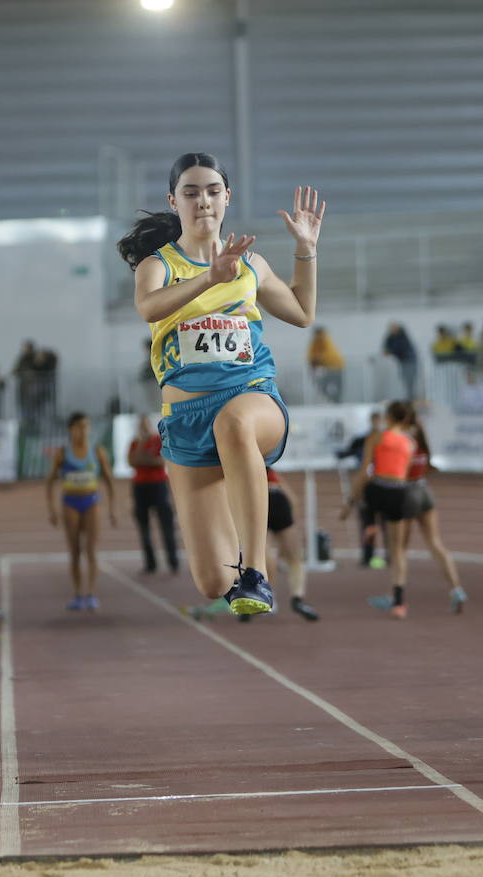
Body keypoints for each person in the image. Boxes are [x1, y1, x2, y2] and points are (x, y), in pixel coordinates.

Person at [116, 151, 323, 617]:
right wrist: (209, 278)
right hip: (187, 420)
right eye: (190, 193)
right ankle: (235, 553)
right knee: (212, 581)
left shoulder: (251, 265)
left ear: (227, 197)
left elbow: (302, 313)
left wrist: (306, 249)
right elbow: (149, 308)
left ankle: (257, 571)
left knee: (234, 424)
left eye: (212, 191)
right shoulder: (157, 266)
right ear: (174, 201)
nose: (203, 201)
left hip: (251, 398)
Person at [344, 401, 417, 619]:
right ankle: (399, 602)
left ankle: (370, 524)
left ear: (389, 417)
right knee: (397, 550)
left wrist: (350, 501)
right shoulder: (410, 442)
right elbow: (404, 472)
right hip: (399, 491)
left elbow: (364, 470)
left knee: (369, 497)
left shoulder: (376, 437)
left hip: (377, 488)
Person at [46, 412, 116, 610]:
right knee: (75, 551)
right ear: (71, 429)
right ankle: (78, 594)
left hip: (91, 502)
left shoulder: (97, 451)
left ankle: (91, 594)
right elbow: (49, 482)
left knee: (91, 550)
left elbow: (109, 480)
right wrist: (51, 509)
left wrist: (112, 509)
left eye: (86, 426)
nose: (84, 430)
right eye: (79, 427)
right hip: (70, 503)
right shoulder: (62, 453)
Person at [402, 414, 467, 613]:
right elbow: (428, 468)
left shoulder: (404, 444)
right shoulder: (423, 445)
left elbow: (398, 471)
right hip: (424, 492)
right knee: (436, 544)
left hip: (407, 494)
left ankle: (396, 597)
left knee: (400, 549)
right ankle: (456, 589)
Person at [243, 467, 319, 622]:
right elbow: (293, 500)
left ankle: (266, 597)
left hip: (256, 500)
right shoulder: (269, 467)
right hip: (278, 499)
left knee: (263, 556)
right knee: (295, 559)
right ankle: (297, 597)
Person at [128, 413, 179, 575]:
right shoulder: (135, 443)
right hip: (140, 487)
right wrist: (144, 451)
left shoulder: (158, 440)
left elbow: (161, 461)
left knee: (166, 524)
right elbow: (132, 462)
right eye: (141, 425)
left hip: (158, 486)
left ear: (150, 425)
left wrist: (145, 461)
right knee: (143, 526)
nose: (144, 427)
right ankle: (150, 564)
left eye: (146, 424)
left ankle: (173, 561)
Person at [336, 410, 387, 568]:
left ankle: (391, 553)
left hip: (383, 483)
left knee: (386, 522)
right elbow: (348, 452)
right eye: (374, 420)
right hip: (367, 486)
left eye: (379, 420)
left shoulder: (387, 438)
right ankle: (368, 555)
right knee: (368, 522)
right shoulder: (362, 439)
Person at [306, 326, 345, 403]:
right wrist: (314, 361)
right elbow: (311, 355)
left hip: (336, 367)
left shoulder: (325, 340)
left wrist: (316, 360)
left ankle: (336, 400)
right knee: (325, 385)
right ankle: (333, 400)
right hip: (329, 368)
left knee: (336, 385)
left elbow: (326, 355)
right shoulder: (317, 341)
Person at [383, 323, 419, 400]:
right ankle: (408, 398)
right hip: (402, 361)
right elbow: (386, 346)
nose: (393, 330)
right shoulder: (391, 337)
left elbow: (400, 348)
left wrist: (390, 351)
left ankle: (411, 398)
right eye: (391, 329)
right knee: (405, 379)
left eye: (394, 328)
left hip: (410, 360)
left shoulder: (403, 337)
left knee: (410, 380)